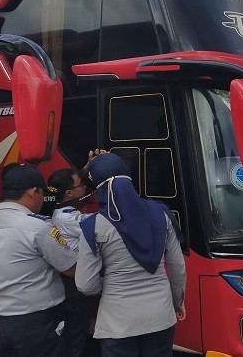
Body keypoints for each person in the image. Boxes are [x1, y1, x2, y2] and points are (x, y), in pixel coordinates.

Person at [76, 153, 186, 357]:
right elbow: (177, 267)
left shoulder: (94, 225)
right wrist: (177, 302)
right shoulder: (162, 213)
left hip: (118, 320)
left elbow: (85, 284)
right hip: (161, 315)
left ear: (100, 189)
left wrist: (109, 286)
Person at [0, 164, 77, 357]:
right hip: (38, 323)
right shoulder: (37, 228)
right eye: (42, 194)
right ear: (33, 192)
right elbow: (71, 269)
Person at [48, 156, 102, 357]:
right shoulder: (68, 218)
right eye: (81, 185)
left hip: (67, 282)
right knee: (76, 334)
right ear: (69, 193)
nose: (85, 188)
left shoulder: (58, 210)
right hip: (72, 285)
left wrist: (86, 168)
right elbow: (99, 223)